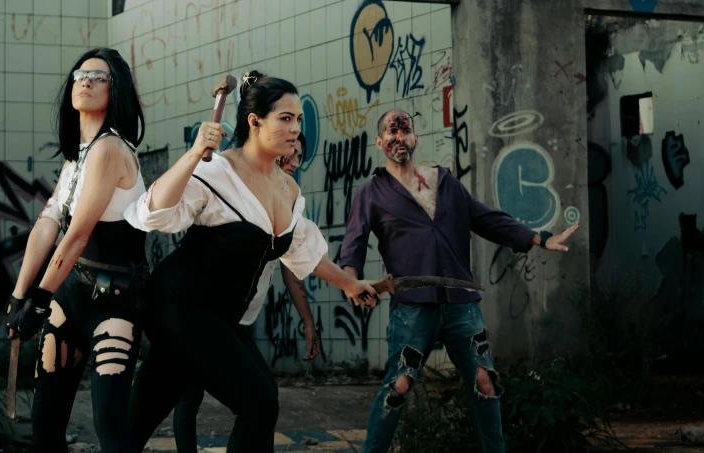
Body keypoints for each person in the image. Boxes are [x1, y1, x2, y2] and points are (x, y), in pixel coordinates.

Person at [125, 71, 380, 452]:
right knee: (259, 400)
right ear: (254, 121)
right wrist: (194, 154)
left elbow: (302, 251)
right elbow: (151, 215)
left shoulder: (287, 187)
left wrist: (349, 284)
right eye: (285, 118)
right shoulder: (216, 172)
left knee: (144, 412)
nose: (296, 129)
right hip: (179, 305)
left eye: (298, 119)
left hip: (221, 317)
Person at [339, 109, 580, 453]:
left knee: (486, 381)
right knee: (399, 386)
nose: (398, 139)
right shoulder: (372, 192)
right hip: (412, 307)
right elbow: (353, 246)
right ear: (380, 143)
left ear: (415, 139)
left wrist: (539, 238)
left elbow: (485, 219)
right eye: (391, 135)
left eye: (404, 132)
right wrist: (351, 282)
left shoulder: (444, 181)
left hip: (461, 304)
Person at [2, 48, 148, 453]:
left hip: (114, 303)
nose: (86, 81)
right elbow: (47, 225)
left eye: (99, 77)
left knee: (109, 424)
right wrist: (19, 295)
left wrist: (38, 298)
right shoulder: (76, 157)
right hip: (71, 296)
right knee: (45, 421)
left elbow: (78, 234)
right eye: (81, 74)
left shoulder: (110, 149)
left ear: (115, 90)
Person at [169, 134, 322, 453]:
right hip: (201, 313)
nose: (295, 163)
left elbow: (292, 266)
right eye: (289, 155)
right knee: (189, 393)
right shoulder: (236, 185)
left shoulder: (286, 196)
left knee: (263, 399)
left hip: (238, 318)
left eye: (298, 157)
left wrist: (307, 321)